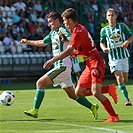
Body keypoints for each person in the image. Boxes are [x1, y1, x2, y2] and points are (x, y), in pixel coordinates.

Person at [43, 8, 120, 122]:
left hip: (96, 62)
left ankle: (114, 116)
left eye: (64, 21)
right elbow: (77, 49)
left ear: (70, 20)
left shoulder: (77, 32)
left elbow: (69, 51)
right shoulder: (79, 29)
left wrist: (53, 60)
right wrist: (66, 41)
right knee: (78, 92)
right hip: (89, 64)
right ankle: (108, 89)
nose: (64, 23)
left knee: (96, 93)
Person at [20, 11, 99, 119]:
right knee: (72, 94)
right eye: (48, 22)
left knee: (40, 83)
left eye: (50, 22)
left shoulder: (62, 30)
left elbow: (73, 38)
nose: (49, 24)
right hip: (61, 66)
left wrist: (66, 39)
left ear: (58, 21)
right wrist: (27, 41)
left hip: (62, 66)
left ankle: (35, 110)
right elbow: (42, 43)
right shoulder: (52, 33)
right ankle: (92, 107)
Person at [100, 8, 133, 106]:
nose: (110, 17)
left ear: (116, 16)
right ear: (106, 17)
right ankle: (127, 100)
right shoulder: (104, 30)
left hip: (123, 56)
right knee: (119, 78)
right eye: (108, 15)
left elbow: (131, 36)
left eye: (112, 15)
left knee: (125, 79)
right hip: (113, 58)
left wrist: (127, 42)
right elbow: (102, 42)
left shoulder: (122, 27)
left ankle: (121, 87)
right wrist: (104, 48)